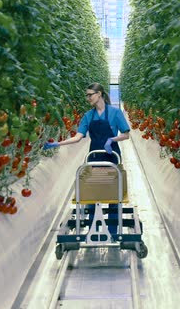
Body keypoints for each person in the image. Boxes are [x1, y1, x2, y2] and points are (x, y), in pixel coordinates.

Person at [43, 83, 130, 234]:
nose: (88, 98)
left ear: (100, 94)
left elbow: (126, 134)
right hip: (94, 157)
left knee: (114, 194)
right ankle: (93, 230)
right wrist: (57, 143)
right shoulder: (88, 116)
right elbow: (78, 137)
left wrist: (112, 140)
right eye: (87, 95)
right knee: (92, 193)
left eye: (90, 94)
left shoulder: (115, 113)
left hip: (112, 157)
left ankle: (113, 231)